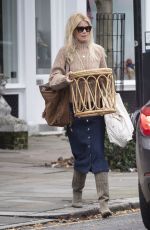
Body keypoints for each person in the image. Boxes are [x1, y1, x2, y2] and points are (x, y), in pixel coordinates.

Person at [49, 12, 112, 218]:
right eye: (80, 28)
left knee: (98, 154)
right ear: (72, 30)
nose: (84, 31)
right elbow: (53, 78)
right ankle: (77, 193)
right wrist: (65, 78)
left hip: (96, 112)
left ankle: (104, 204)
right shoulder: (65, 53)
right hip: (75, 112)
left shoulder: (98, 51)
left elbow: (106, 79)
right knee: (81, 154)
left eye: (87, 28)